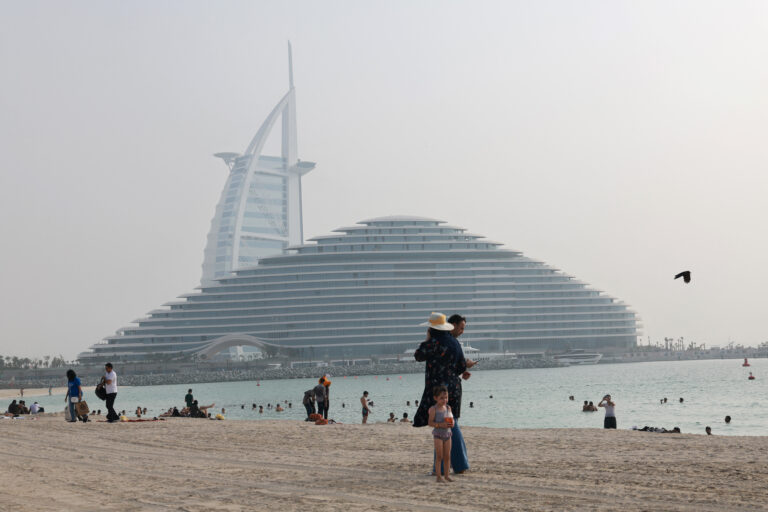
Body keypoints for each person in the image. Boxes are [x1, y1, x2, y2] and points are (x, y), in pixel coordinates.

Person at [413, 312, 476, 475]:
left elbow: (418, 355)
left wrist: (427, 339)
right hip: (454, 388)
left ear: (432, 329)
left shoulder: (433, 343)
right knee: (450, 422)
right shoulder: (454, 342)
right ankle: (459, 464)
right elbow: (461, 366)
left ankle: (442, 468)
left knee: (443, 426)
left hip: (439, 390)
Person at [428, 385, 453, 483]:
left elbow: (451, 419)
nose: (444, 400)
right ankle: (438, 476)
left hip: (448, 434)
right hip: (438, 435)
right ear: (435, 398)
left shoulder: (448, 408)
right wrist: (440, 425)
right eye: (441, 398)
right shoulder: (434, 409)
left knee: (447, 456)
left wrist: (452, 424)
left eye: (446, 397)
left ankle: (447, 475)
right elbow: (430, 422)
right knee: (439, 456)